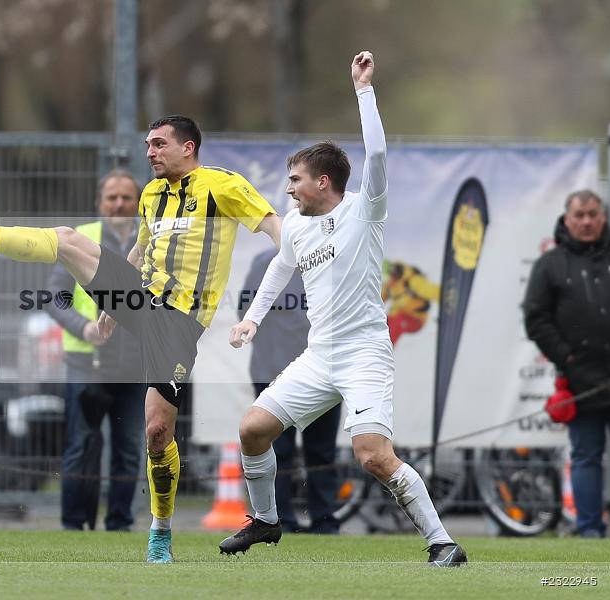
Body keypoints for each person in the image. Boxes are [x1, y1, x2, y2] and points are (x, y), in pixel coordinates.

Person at [0, 116, 281, 562]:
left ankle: (160, 530)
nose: (150, 152)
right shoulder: (153, 194)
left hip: (178, 322)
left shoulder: (223, 185)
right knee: (66, 238)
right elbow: (140, 249)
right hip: (140, 299)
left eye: (159, 144)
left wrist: (296, 259)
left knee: (157, 433)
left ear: (188, 147)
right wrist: (110, 309)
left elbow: (273, 225)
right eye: (147, 144)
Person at [220, 51, 467, 566]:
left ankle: (442, 541)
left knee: (373, 456)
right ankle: (267, 520)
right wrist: (251, 320)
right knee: (252, 429)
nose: (288, 189)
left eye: (295, 180)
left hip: (364, 353)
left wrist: (364, 90)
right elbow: (278, 269)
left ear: (323, 183)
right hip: (319, 355)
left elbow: (376, 157)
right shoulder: (298, 226)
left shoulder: (363, 208)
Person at [44, 170, 146, 531]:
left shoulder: (153, 240)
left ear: (138, 202)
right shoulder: (80, 239)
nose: (119, 204)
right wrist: (85, 328)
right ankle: (75, 525)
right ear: (99, 203)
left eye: (126, 198)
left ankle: (119, 524)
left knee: (129, 450)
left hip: (136, 368)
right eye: (112, 198)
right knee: (81, 447)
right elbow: (55, 297)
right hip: (87, 365)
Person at [522, 189, 610, 538]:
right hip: (580, 380)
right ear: (568, 218)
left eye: (593, 214)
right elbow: (536, 319)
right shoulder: (550, 263)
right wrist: (567, 357)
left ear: (603, 217)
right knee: (586, 457)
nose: (587, 221)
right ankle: (590, 531)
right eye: (580, 215)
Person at [239, 248, 341, 534]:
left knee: (321, 450)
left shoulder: (335, 260)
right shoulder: (266, 262)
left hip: (323, 371)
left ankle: (323, 521)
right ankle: (281, 518)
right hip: (276, 370)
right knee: (279, 449)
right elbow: (246, 311)